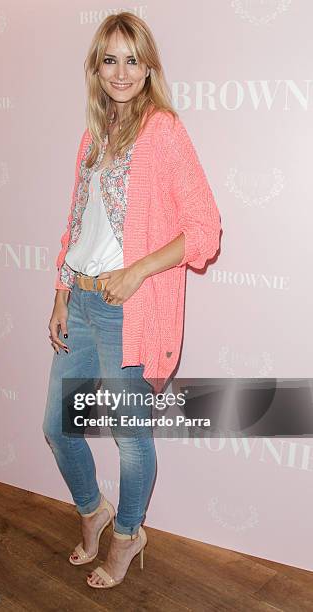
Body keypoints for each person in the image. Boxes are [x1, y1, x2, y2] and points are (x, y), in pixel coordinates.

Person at [43, 12, 222, 589]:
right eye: (109, 59)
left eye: (132, 59)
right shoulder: (90, 137)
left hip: (129, 310)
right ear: (96, 68)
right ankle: (93, 511)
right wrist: (60, 294)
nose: (120, 71)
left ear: (148, 68)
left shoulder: (164, 130)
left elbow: (205, 230)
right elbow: (78, 225)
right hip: (83, 299)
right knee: (57, 425)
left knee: (129, 435)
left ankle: (126, 535)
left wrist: (137, 271)